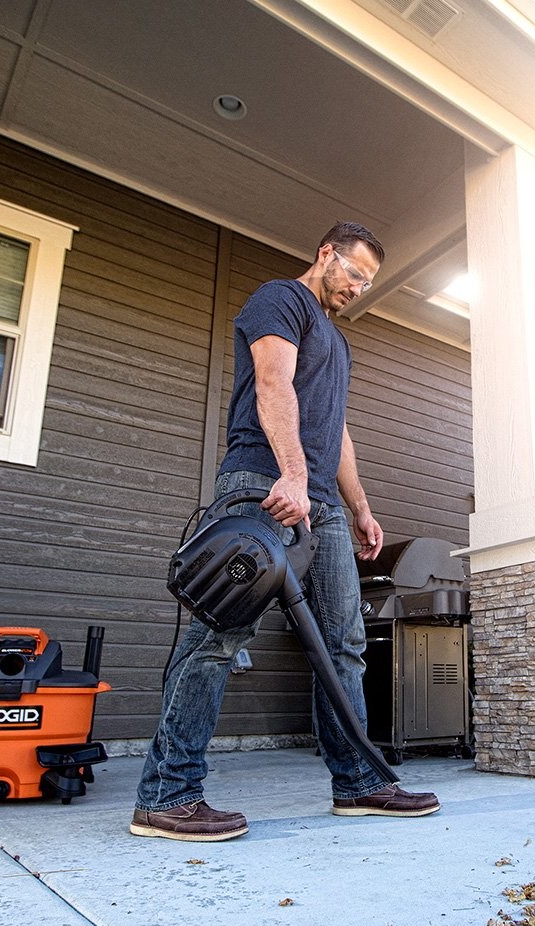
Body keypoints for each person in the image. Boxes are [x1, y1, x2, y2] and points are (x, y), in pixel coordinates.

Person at [130, 221, 440, 842]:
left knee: (344, 646)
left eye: (369, 281)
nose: (358, 286)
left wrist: (360, 507)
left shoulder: (338, 343)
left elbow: (337, 429)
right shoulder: (282, 298)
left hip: (319, 507)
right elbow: (273, 385)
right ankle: (166, 795)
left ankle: (359, 783)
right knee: (220, 636)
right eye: (353, 271)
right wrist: (294, 478)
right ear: (325, 253)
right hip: (262, 490)